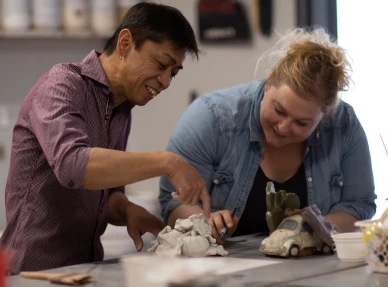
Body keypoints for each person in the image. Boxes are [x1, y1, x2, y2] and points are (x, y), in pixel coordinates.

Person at [0, 2, 211, 275]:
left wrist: (127, 211)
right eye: (161, 65)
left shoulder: (122, 109)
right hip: (30, 274)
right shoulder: (61, 84)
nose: (165, 82)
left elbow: (105, 196)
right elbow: (73, 166)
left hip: (83, 270)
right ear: (125, 43)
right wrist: (167, 162)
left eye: (173, 72)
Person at [159, 27, 377, 243]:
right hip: (223, 265)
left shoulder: (344, 125)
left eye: (301, 123)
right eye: (279, 110)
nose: (283, 128)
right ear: (269, 83)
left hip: (311, 265)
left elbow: (358, 206)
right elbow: (173, 202)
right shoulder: (212, 118)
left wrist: (311, 230)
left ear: (324, 116)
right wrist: (204, 223)